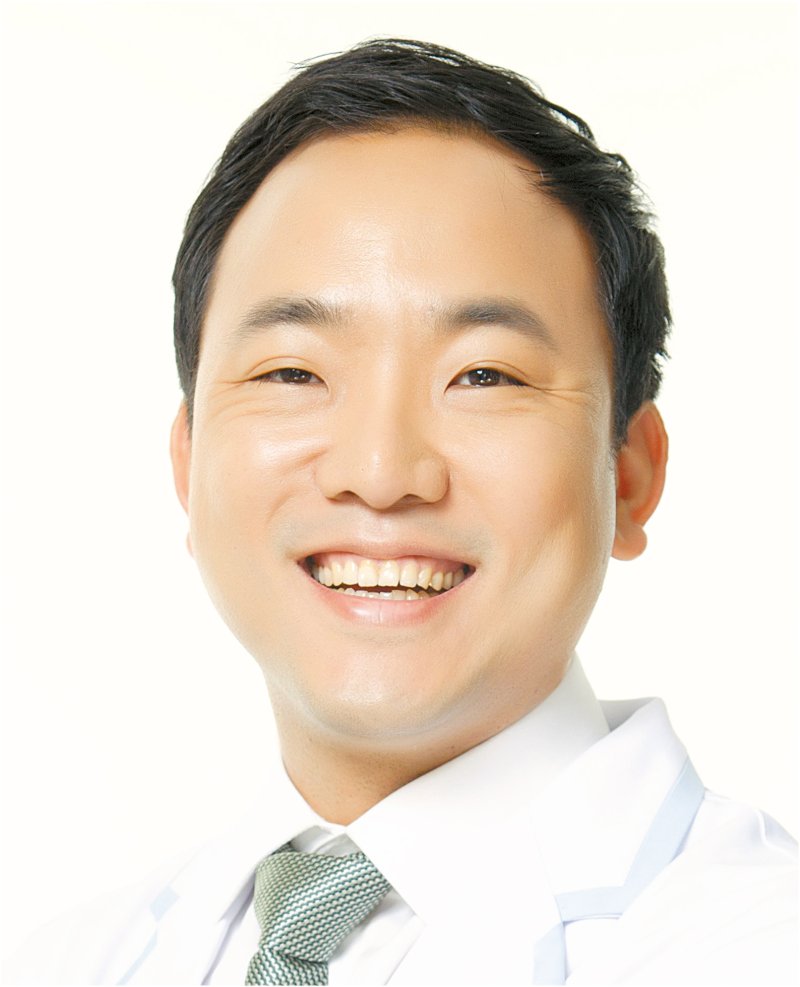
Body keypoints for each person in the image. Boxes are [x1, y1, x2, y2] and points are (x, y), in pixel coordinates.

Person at [5, 37, 796, 987]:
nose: (380, 473)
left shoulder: (759, 946)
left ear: (629, 474)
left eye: (484, 375)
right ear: (188, 460)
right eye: (292, 372)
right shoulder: (65, 960)